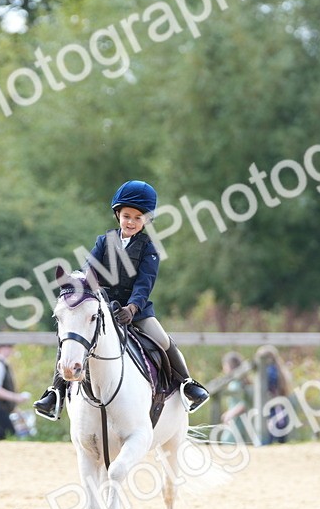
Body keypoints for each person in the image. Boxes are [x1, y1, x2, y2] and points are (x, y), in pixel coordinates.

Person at [34, 180, 210, 420]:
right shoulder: (104, 241)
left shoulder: (149, 248)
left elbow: (144, 284)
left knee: (162, 340)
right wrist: (78, 284)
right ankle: (56, 393)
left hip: (135, 312)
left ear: (146, 221)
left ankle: (187, 384)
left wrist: (132, 307)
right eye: (127, 216)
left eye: (138, 218)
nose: (131, 222)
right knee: (73, 339)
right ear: (118, 214)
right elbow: (90, 270)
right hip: (102, 308)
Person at [0, 344, 30, 440]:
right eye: (8, 347)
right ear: (0, 348)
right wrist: (16, 397)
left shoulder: (4, 365)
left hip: (3, 408)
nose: (10, 350)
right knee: (11, 435)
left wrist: (15, 408)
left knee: (2, 437)